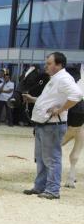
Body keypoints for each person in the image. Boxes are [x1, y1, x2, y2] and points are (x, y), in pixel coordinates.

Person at [22, 52, 83, 200]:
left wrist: (61, 110)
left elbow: (77, 95)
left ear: (59, 65)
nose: (46, 66)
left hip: (53, 124)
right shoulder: (54, 79)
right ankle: (40, 186)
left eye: (49, 63)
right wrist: (33, 99)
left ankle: (53, 190)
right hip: (43, 123)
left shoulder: (64, 78)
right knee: (42, 158)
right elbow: (50, 100)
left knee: (52, 158)